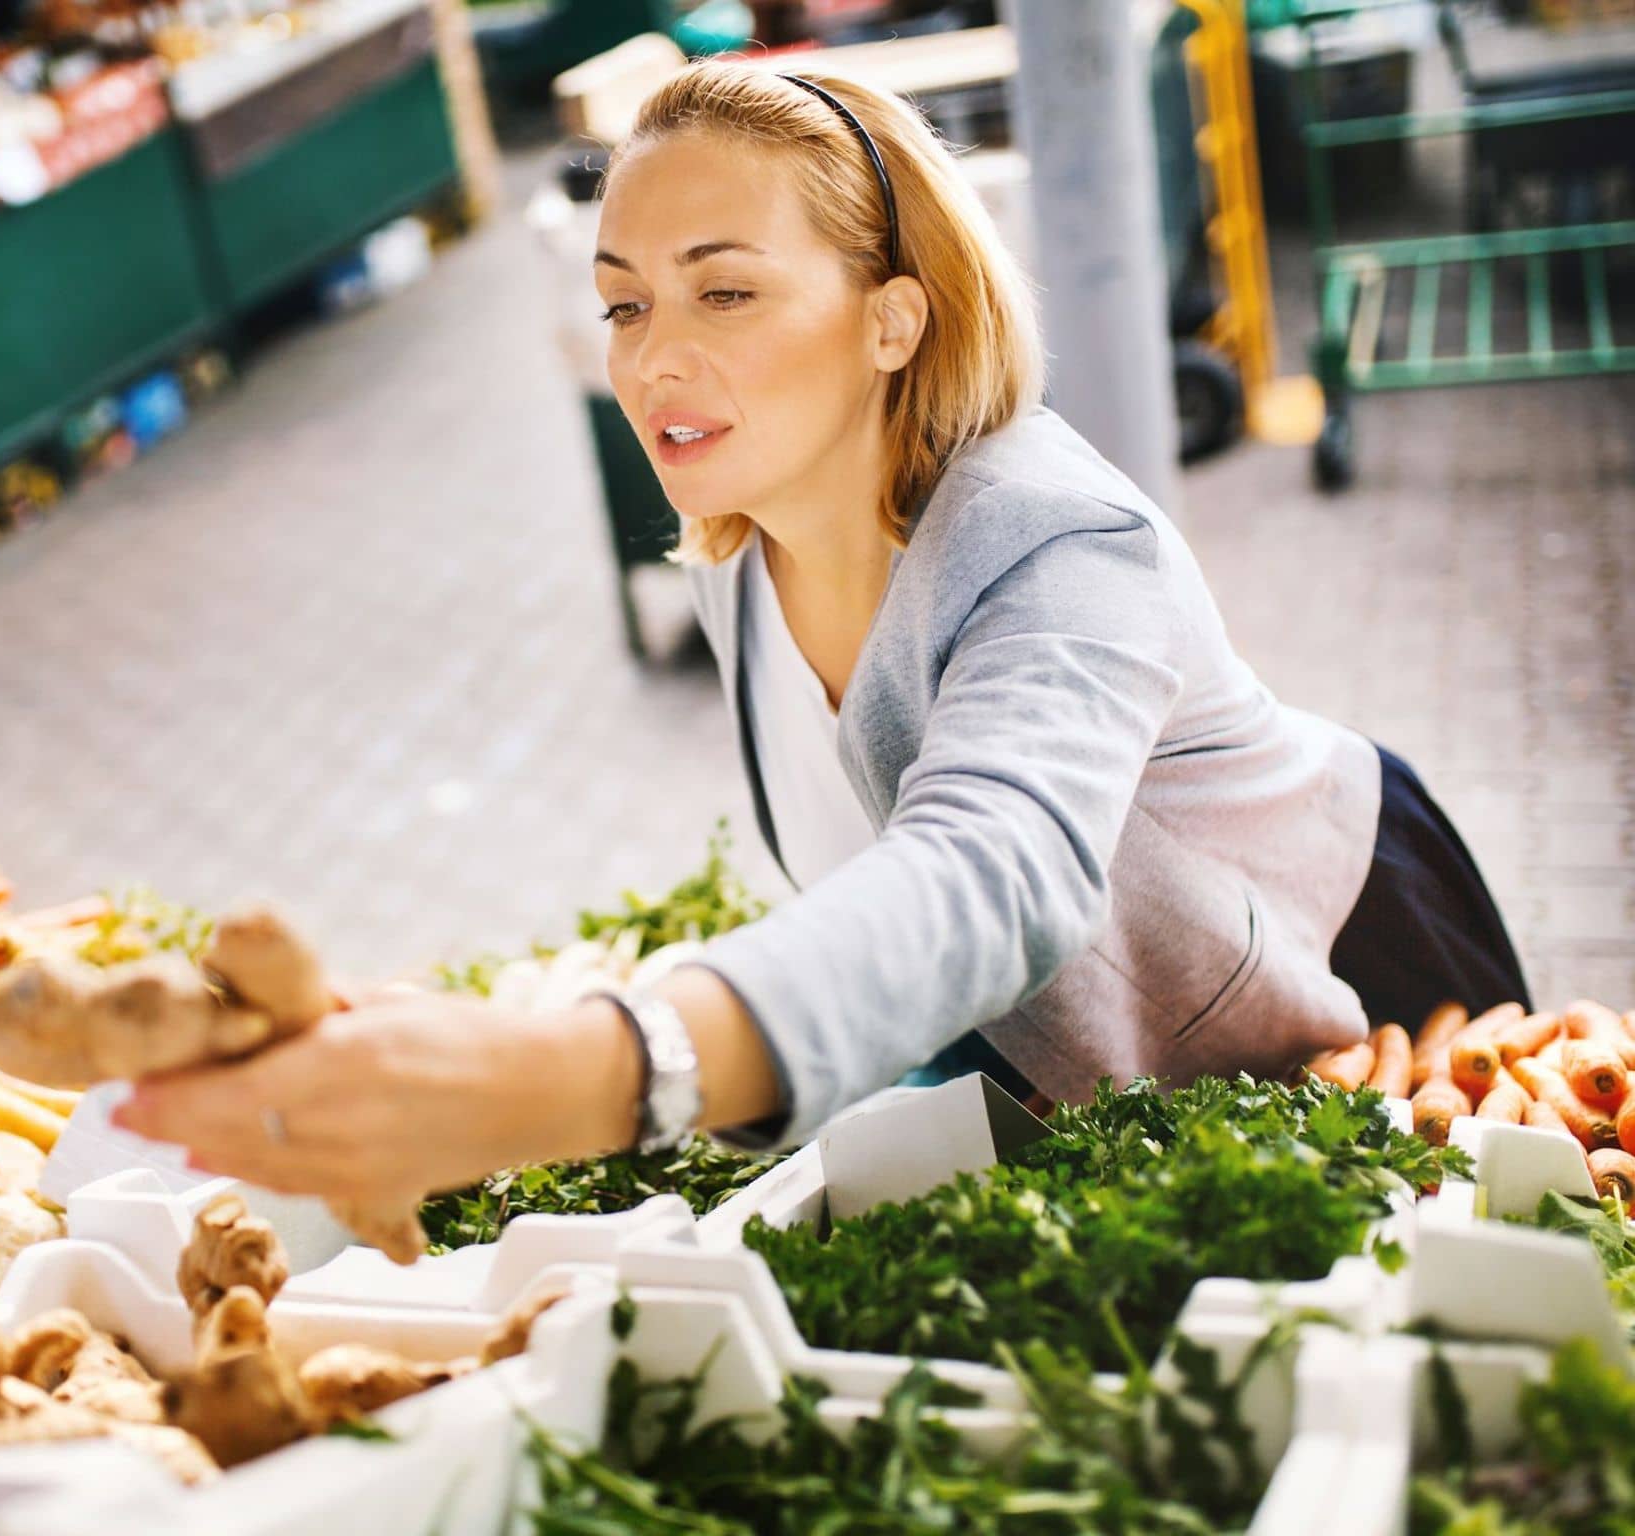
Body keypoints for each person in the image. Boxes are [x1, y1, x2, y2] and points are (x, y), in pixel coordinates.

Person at [112, 62, 1529, 1211]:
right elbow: (874, 891)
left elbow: (993, 873)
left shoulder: (1057, 541)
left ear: (892, 321)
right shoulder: (740, 549)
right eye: (622, 301)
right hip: (1084, 1100)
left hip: (1335, 988)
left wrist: (574, 1074)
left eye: (724, 289)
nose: (654, 355)